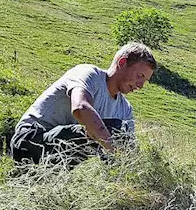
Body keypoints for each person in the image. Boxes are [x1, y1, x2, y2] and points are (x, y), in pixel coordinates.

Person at [10, 42, 156, 166]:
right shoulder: (89, 74)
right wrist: (114, 151)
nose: (140, 85)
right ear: (122, 63)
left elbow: (130, 148)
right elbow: (80, 108)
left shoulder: (125, 109)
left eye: (145, 81)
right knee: (114, 130)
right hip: (31, 140)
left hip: (62, 156)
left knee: (122, 136)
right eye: (139, 76)